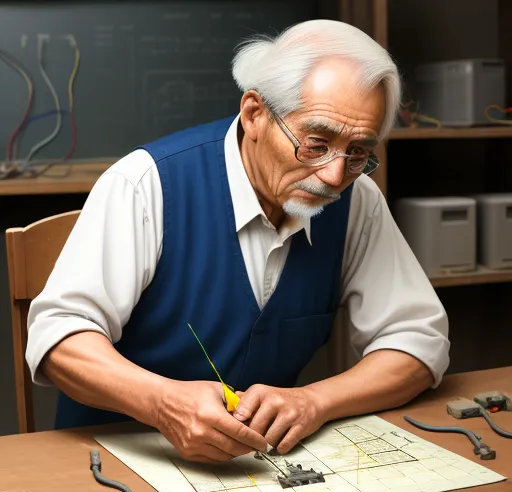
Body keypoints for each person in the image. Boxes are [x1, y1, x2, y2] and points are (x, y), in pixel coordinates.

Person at [26, 19, 449, 464]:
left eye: (358, 152)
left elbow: (418, 342)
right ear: (254, 114)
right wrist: (162, 403)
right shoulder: (146, 182)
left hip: (257, 467)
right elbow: (59, 339)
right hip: (113, 455)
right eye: (316, 143)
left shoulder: (355, 199)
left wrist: (314, 401)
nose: (334, 175)